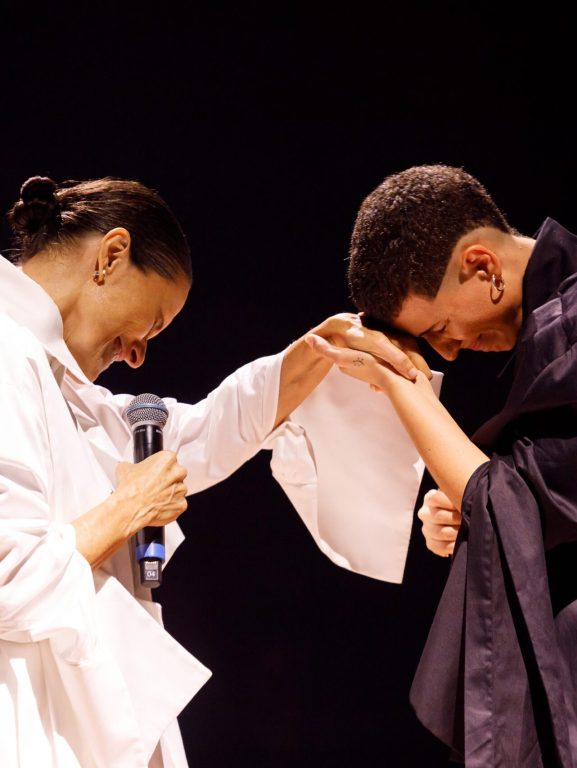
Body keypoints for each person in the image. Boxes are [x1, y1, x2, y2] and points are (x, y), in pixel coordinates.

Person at [0, 175, 430, 768]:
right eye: (150, 322)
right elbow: (8, 575)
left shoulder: (68, 387)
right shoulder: (6, 352)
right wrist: (128, 510)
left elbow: (205, 433)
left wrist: (317, 349)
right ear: (112, 255)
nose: (137, 353)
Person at [306, 164, 577, 766]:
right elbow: (523, 492)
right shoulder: (549, 330)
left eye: (440, 327)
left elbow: (525, 502)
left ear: (483, 266)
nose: (447, 350)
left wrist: (397, 383)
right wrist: (471, 506)